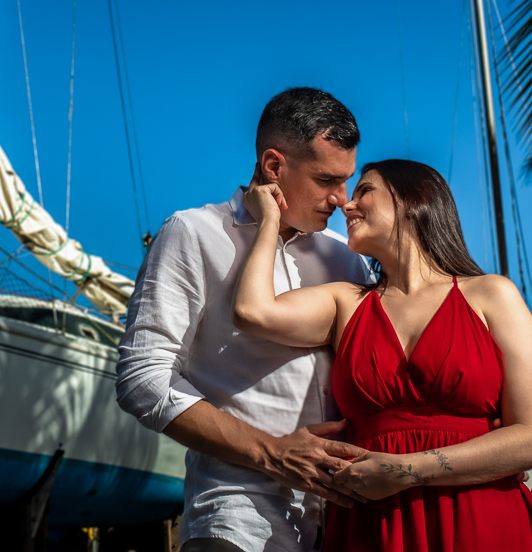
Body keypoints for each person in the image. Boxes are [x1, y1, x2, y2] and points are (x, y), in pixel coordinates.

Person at [232, 159, 532, 551]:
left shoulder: (492, 294)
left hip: (480, 515)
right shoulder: (345, 303)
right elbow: (252, 312)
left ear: (414, 198)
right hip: (373, 524)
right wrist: (268, 221)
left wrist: (407, 471)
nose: (346, 205)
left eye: (364, 191)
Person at [116, 88, 376, 552]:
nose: (341, 199)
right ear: (274, 166)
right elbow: (143, 378)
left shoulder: (347, 258)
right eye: (326, 180)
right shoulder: (192, 233)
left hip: (347, 520)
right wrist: (272, 453)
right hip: (236, 516)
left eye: (347, 181)